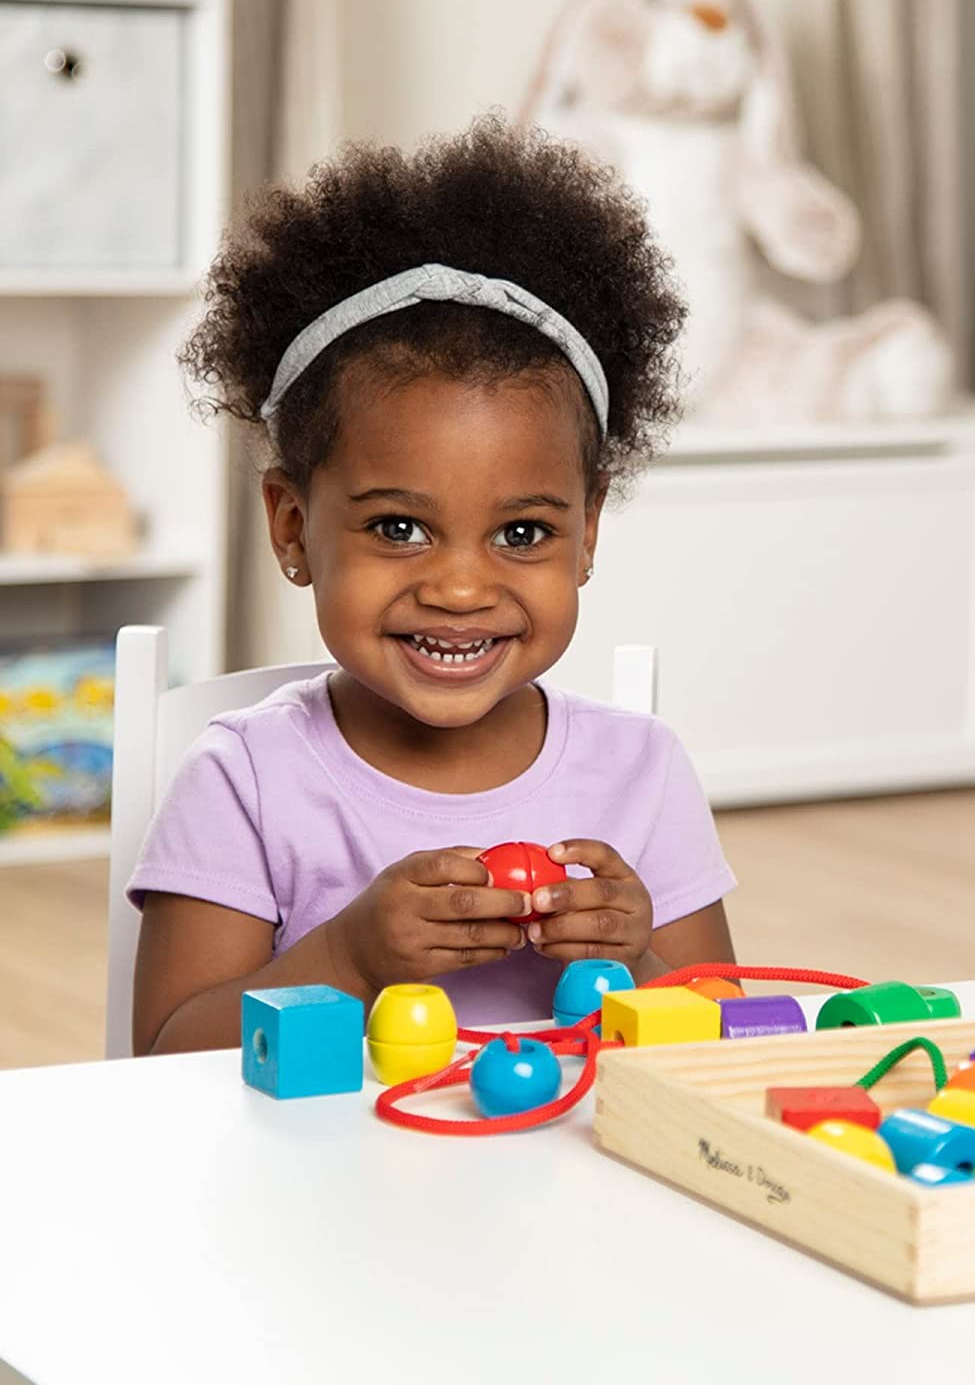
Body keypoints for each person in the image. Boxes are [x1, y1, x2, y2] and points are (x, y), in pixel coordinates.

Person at [129, 114, 737, 1054]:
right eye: (399, 528)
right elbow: (166, 1057)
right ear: (293, 527)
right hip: (315, 1197)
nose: (460, 588)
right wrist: (349, 958)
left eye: (523, 532)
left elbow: (721, 1048)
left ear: (588, 534)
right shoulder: (247, 780)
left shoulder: (641, 774)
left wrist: (641, 959)